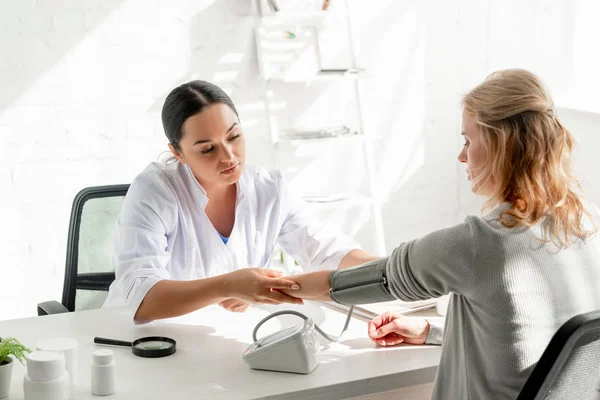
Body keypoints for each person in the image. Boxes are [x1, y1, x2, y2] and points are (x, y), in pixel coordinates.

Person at [282, 69, 600, 399]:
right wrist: (431, 332)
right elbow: (540, 346)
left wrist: (272, 286)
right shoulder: (588, 222)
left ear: (499, 143)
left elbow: (357, 283)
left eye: (468, 141)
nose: (462, 156)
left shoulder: (478, 244)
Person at [103, 80, 376, 322]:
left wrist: (395, 271)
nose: (230, 157)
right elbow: (141, 299)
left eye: (234, 136)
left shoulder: (269, 188)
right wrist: (226, 286)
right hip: (137, 340)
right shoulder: (154, 190)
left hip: (220, 337)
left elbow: (325, 250)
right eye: (208, 149)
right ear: (178, 153)